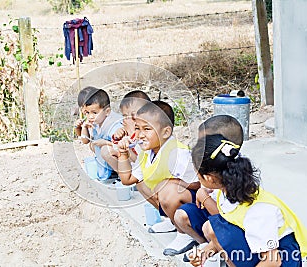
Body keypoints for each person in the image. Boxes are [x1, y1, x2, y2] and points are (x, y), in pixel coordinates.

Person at [189, 134, 307, 267]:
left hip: (281, 259)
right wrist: (206, 252)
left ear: (208, 178)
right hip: (262, 249)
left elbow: (272, 260)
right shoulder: (226, 191)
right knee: (213, 227)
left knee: (214, 228)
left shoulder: (258, 211)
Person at [117, 100, 200, 256]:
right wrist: (123, 154)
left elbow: (199, 183)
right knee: (141, 183)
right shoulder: (146, 153)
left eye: (147, 129)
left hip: (194, 208)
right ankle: (172, 221)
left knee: (168, 189)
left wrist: (172, 183)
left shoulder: (177, 153)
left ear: (166, 132)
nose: (140, 135)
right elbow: (127, 179)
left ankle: (185, 233)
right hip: (173, 198)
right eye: (137, 129)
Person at [174, 115, 244, 262]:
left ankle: (220, 251)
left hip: (229, 223)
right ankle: (207, 245)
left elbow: (227, 217)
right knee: (181, 216)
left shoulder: (236, 175)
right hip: (213, 214)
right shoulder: (211, 168)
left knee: (211, 228)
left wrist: (203, 196)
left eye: (205, 144)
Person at [78, 87, 123, 181]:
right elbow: (85, 140)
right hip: (114, 152)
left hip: (126, 157)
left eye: (94, 113)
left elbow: (123, 146)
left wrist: (105, 143)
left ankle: (123, 174)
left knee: (105, 150)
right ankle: (110, 170)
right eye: (86, 113)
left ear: (107, 111)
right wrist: (84, 127)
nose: (90, 116)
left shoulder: (114, 124)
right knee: (93, 145)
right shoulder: (96, 121)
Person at [100, 90, 150, 170]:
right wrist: (118, 137)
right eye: (125, 116)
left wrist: (132, 132)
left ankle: (135, 178)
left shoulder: (149, 129)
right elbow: (116, 145)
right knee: (105, 150)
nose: (128, 119)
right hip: (132, 163)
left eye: (133, 115)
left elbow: (142, 154)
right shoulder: (127, 127)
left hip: (144, 165)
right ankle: (125, 176)